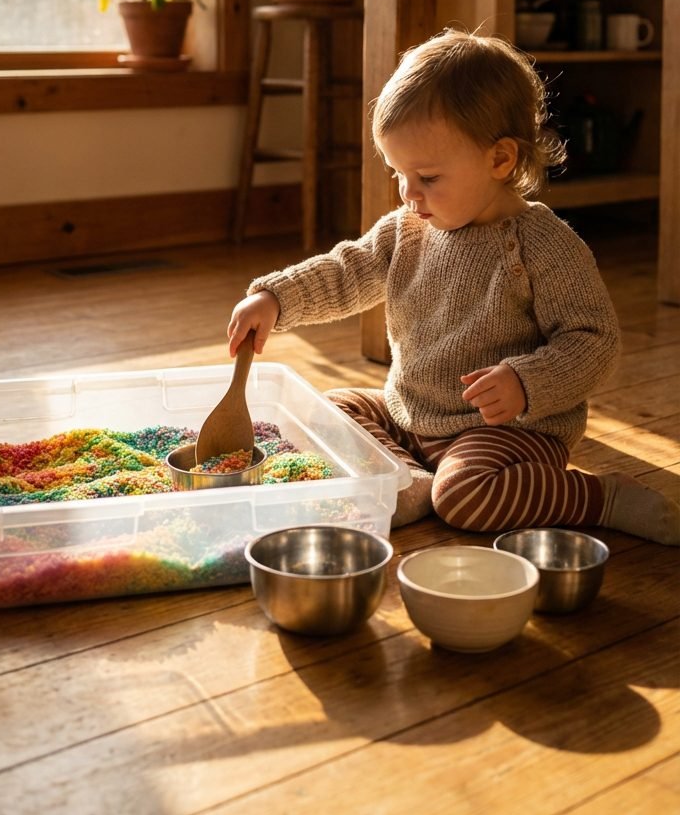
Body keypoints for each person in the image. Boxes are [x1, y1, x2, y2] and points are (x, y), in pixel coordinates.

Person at [228, 28, 680, 545]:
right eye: (398, 173)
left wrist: (526, 382)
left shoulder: (542, 244)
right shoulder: (406, 228)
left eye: (428, 177)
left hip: (503, 432)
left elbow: (594, 341)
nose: (408, 193)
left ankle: (602, 497)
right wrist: (277, 297)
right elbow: (347, 270)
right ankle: (411, 478)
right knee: (330, 406)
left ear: (500, 160)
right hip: (409, 413)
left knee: (466, 495)